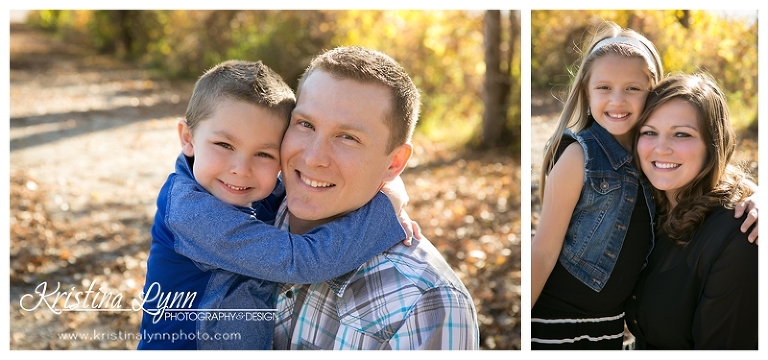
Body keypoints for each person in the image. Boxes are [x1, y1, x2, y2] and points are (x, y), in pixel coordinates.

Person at [170, 46, 480, 350]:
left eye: (348, 137)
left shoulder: (427, 304)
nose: (314, 157)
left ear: (394, 164)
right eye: (305, 124)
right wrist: (387, 206)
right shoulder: (245, 205)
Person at [138, 60, 415, 350]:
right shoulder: (191, 213)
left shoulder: (242, 190)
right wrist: (384, 208)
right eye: (224, 145)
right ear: (188, 138)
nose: (241, 169)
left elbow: (318, 192)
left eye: (264, 155)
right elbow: (304, 261)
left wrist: (380, 187)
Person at [530, 21, 757, 350]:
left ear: (651, 94)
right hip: (560, 325)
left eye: (633, 89)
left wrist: (756, 194)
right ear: (586, 92)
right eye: (604, 88)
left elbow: (716, 173)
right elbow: (543, 251)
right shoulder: (586, 156)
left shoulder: (648, 161)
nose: (618, 100)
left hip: (606, 331)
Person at [625, 72, 757, 349]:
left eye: (682, 134)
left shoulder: (739, 237)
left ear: (713, 145)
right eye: (649, 132)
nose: (661, 148)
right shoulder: (641, 206)